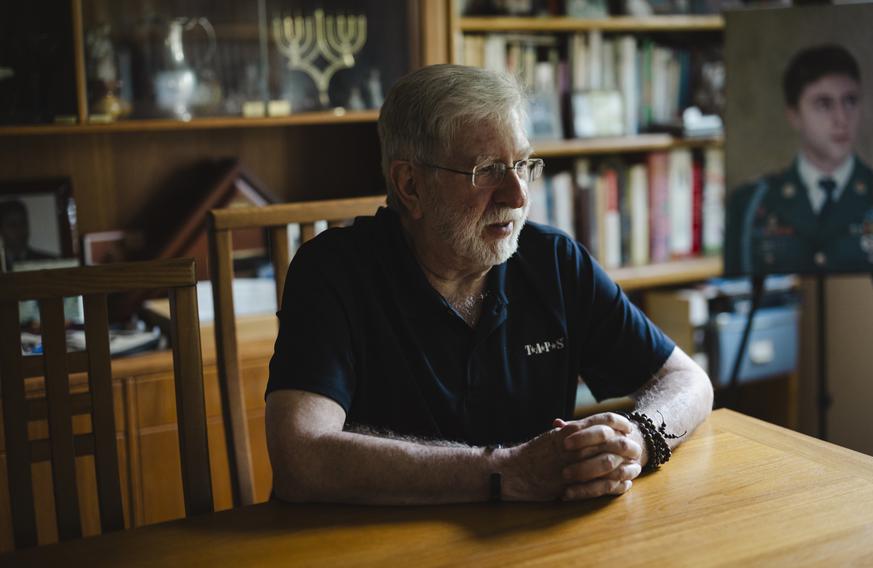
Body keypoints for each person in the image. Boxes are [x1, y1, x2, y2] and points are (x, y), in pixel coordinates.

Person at [265, 64, 713, 505]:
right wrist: (505, 471)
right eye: (488, 171)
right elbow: (299, 458)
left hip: (526, 542)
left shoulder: (555, 261)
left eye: (522, 164)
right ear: (410, 185)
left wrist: (641, 437)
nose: (517, 196)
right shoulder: (333, 271)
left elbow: (688, 381)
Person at [725, 44, 873, 275]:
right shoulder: (749, 204)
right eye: (824, 104)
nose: (841, 119)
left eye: (850, 101)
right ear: (794, 116)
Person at [0, 199, 56, 272]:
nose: (19, 229)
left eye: (23, 223)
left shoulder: (50, 263)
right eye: (12, 225)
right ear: (1, 229)